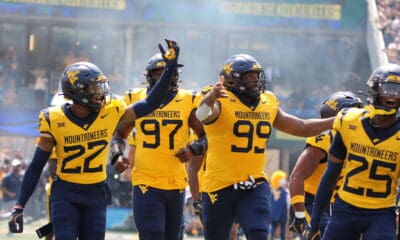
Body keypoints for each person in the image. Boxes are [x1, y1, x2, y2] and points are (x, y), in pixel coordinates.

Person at [8, 39, 182, 239]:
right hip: (66, 192)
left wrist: (170, 68)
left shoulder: (109, 111)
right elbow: (36, 165)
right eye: (94, 89)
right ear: (78, 91)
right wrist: (19, 205)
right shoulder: (54, 119)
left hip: (96, 193)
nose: (101, 93)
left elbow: (151, 103)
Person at [195, 53, 335, 240]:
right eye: (248, 76)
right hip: (219, 185)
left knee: (259, 232)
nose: (255, 80)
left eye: (256, 75)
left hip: (254, 182)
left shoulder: (267, 101)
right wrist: (212, 97)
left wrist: (336, 120)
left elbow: (300, 127)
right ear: (229, 80)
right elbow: (202, 115)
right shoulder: (219, 98)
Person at [305, 63, 400, 240]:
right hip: (346, 209)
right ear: (374, 90)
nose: (392, 96)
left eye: (397, 91)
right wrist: (315, 220)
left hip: (381, 213)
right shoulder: (350, 122)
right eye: (388, 89)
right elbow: (330, 175)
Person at [121, 52, 206, 240]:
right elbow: (120, 134)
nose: (162, 77)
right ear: (149, 76)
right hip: (146, 182)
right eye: (157, 73)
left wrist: (193, 149)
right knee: (152, 234)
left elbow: (206, 137)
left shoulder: (187, 100)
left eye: (165, 72)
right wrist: (118, 154)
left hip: (175, 183)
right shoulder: (136, 98)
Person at [288, 91, 363, 235]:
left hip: (337, 205)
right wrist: (299, 213)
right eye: (353, 113)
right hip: (312, 202)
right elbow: (297, 175)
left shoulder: (359, 140)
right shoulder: (325, 137)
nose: (358, 118)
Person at [270, 170, 289, 240]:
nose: (284, 181)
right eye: (282, 179)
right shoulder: (283, 192)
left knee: (279, 230)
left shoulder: (273, 192)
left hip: (277, 214)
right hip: (279, 214)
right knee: (275, 230)